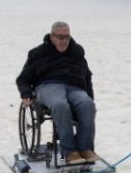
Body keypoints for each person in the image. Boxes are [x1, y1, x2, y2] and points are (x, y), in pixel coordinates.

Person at [16, 21, 97, 165]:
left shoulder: (77, 51)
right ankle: (69, 151)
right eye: (60, 37)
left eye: (67, 37)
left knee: (88, 104)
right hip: (47, 86)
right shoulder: (38, 53)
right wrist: (26, 93)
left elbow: (87, 76)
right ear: (52, 36)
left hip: (74, 86)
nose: (64, 41)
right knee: (60, 105)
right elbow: (23, 78)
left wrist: (89, 95)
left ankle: (85, 148)